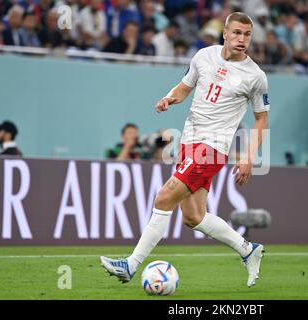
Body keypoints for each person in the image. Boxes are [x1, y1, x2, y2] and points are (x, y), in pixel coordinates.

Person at [101, 12, 269, 288]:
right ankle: (247, 249)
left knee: (164, 196)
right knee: (193, 217)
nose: (242, 39)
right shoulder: (203, 56)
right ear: (225, 33)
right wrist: (169, 98)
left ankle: (130, 265)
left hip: (213, 147)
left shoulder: (255, 77)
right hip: (190, 141)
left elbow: (261, 119)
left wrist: (249, 158)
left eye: (247, 35)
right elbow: (184, 87)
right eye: (237, 33)